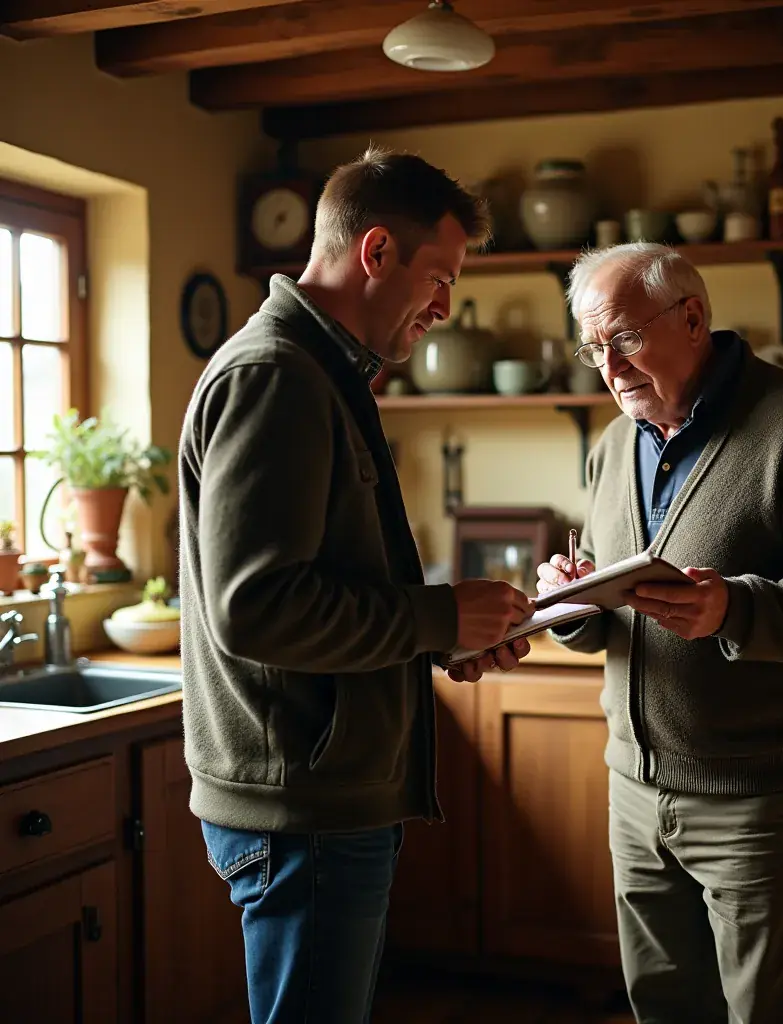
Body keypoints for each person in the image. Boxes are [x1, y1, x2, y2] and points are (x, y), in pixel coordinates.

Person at [177, 146, 531, 1024]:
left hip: (319, 800)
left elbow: (323, 589)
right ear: (377, 252)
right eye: (440, 278)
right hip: (304, 808)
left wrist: (443, 637)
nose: (445, 307)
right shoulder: (277, 376)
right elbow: (258, 608)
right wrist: (436, 616)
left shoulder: (322, 372)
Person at [536, 242, 783, 1023]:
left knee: (772, 1012)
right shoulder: (612, 446)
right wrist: (572, 606)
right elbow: (614, 616)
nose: (610, 369)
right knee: (665, 1010)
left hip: (757, 801)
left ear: (693, 318)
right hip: (634, 793)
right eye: (594, 349)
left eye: (624, 338)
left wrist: (733, 609)